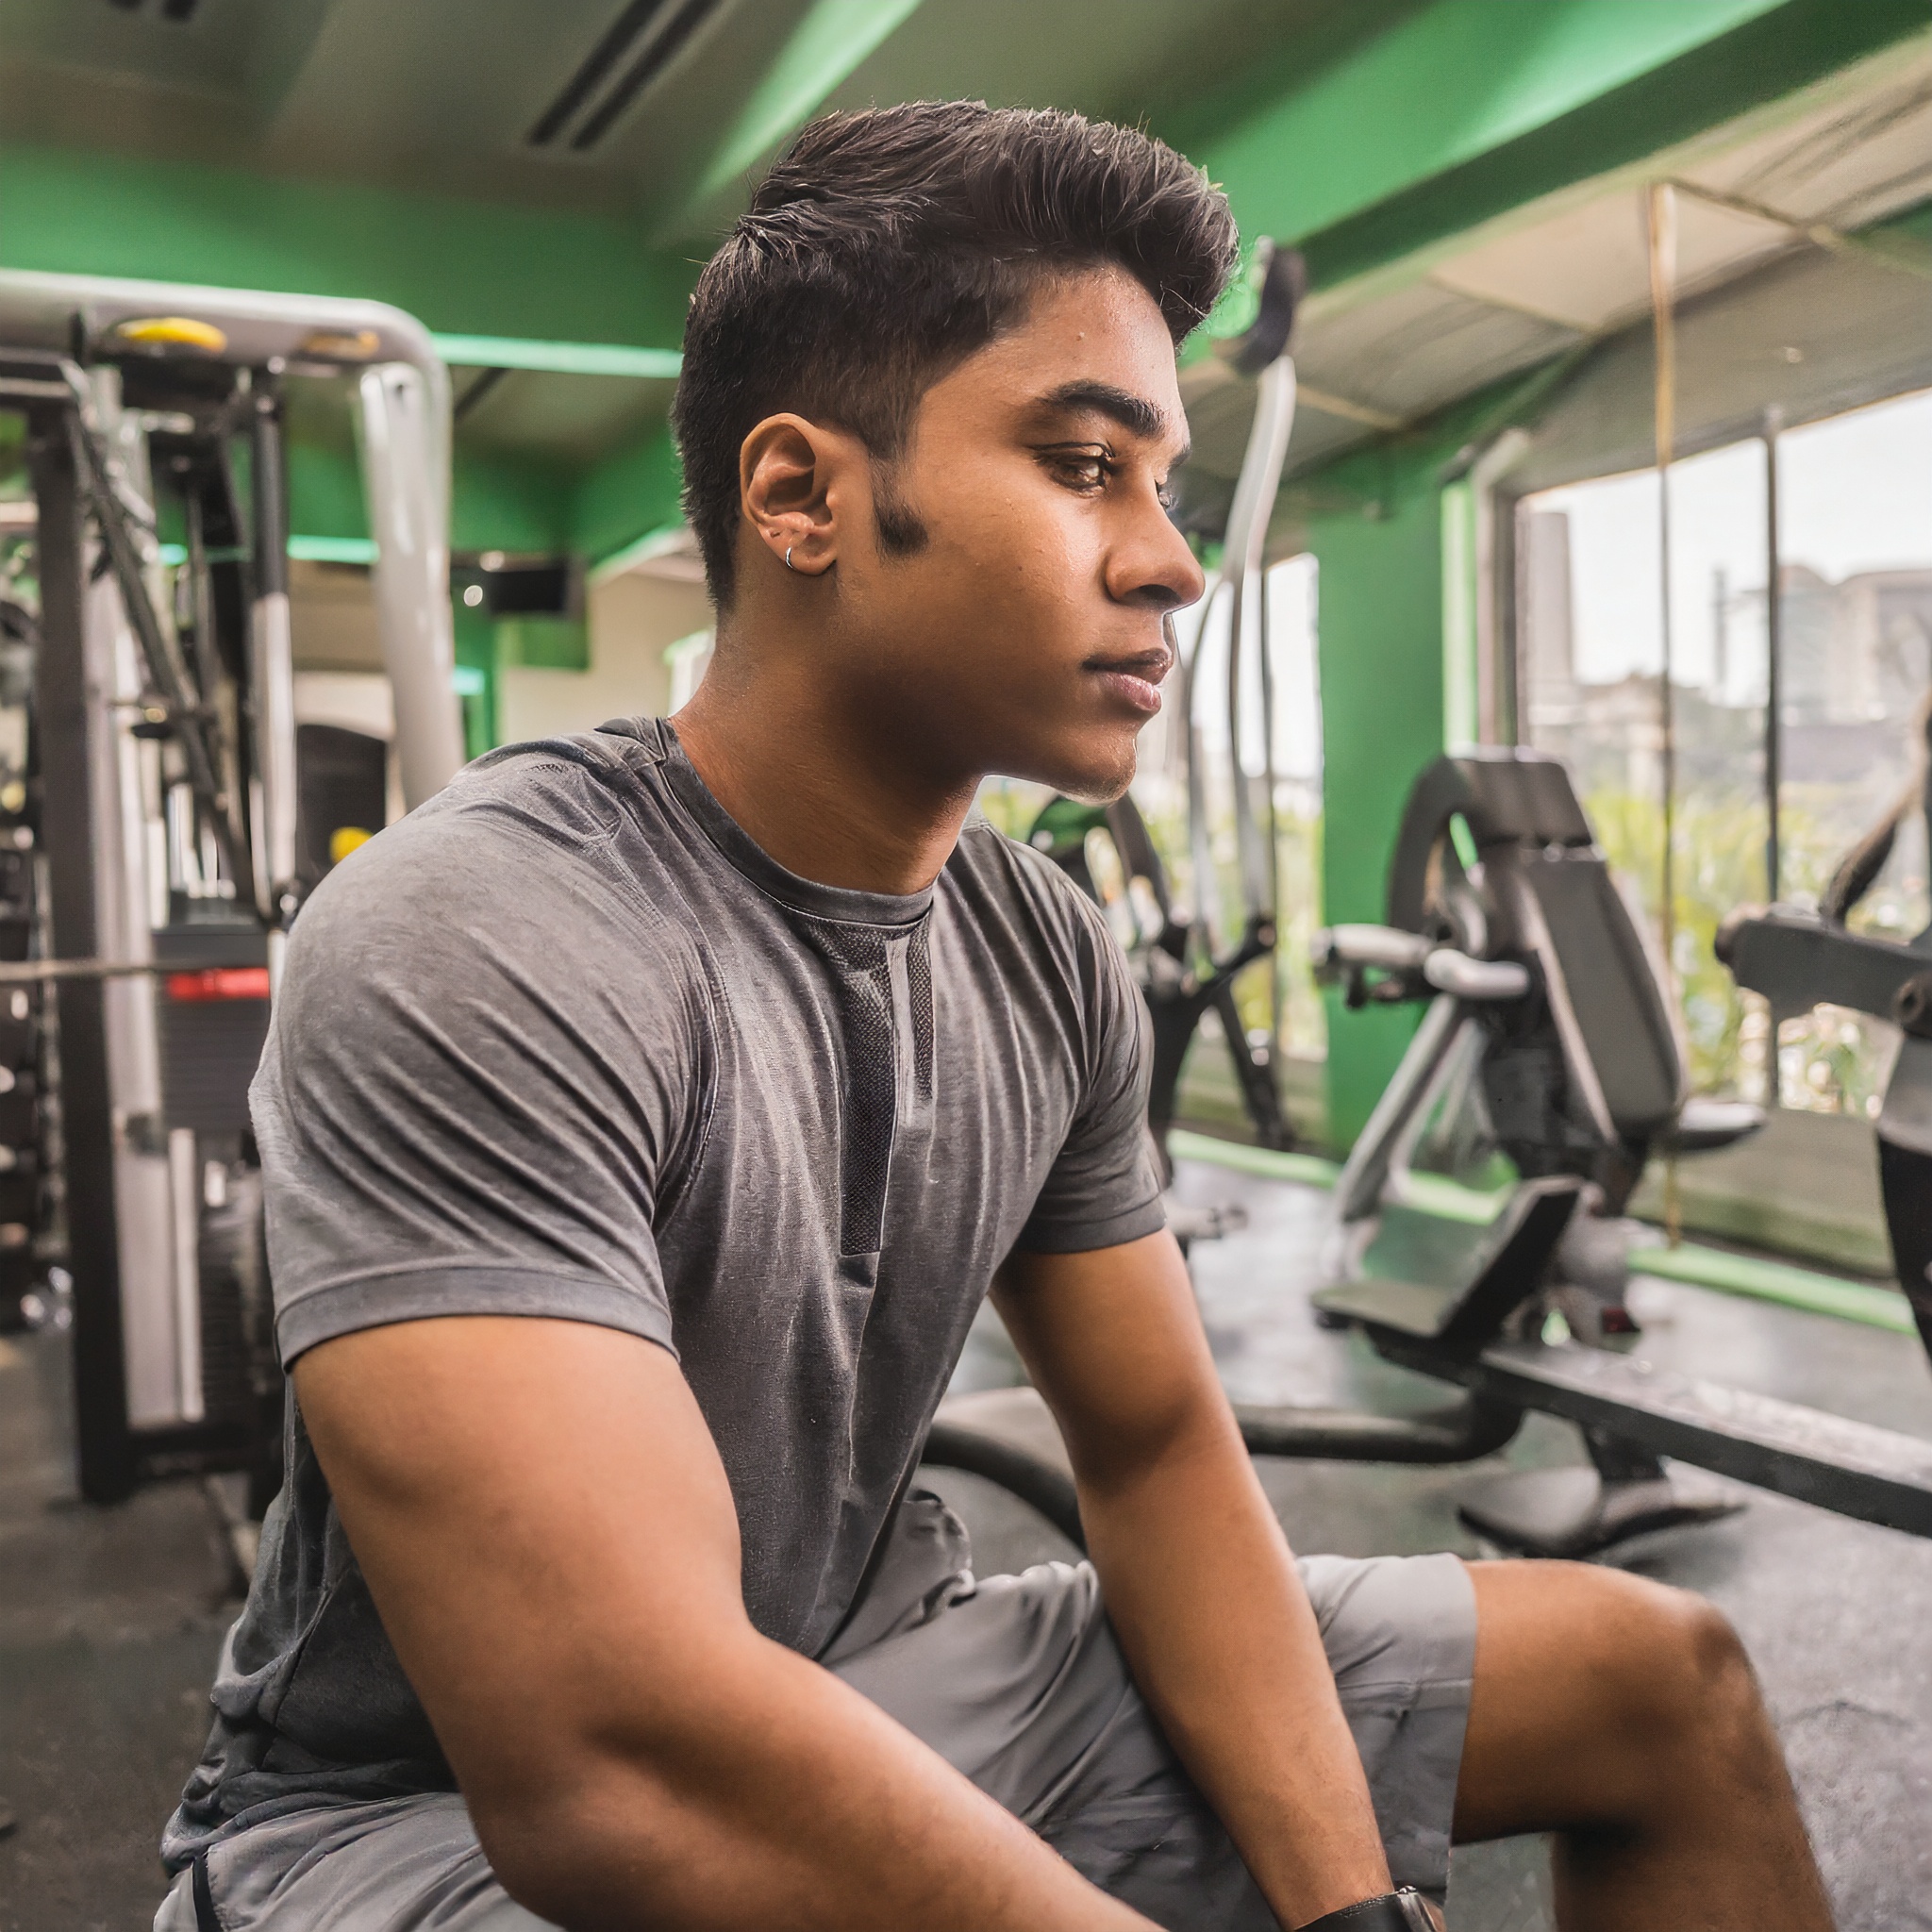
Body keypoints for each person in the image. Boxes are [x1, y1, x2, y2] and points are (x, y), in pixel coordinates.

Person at [157, 102, 1835, 1932]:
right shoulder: (480, 933)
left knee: (1658, 1681)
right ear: (799, 496)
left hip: (893, 1668)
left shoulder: (1040, 944)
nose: (1170, 561)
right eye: (1082, 465)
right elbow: (611, 1757)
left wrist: (1343, 1911)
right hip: (427, 1826)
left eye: (1166, 486)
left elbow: (1158, 1456)